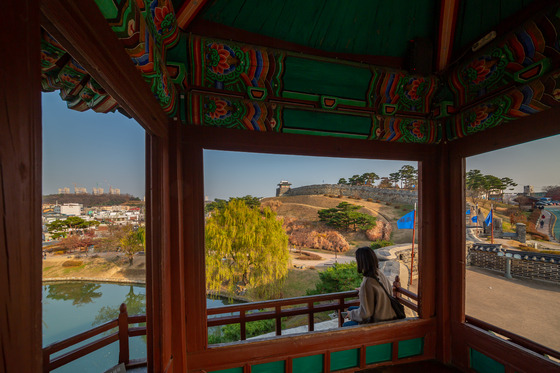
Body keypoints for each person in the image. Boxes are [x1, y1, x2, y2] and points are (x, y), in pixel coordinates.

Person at [342, 247, 397, 326]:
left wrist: (351, 314)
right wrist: (363, 290)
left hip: (378, 320)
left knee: (345, 325)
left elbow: (366, 313)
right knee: (351, 309)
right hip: (387, 313)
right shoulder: (379, 274)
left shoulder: (368, 282)